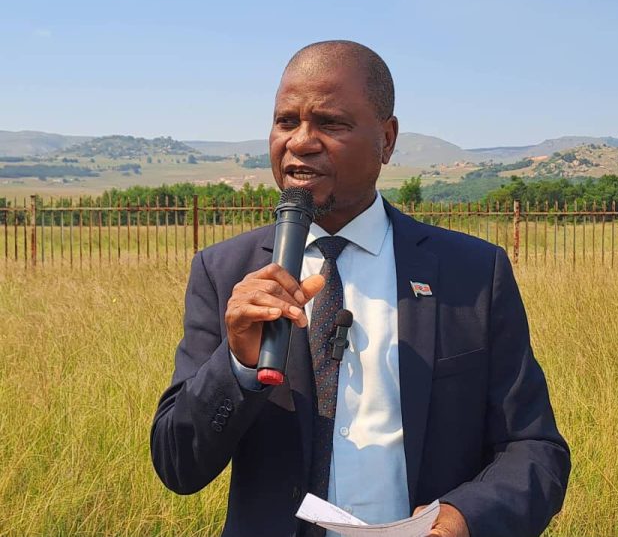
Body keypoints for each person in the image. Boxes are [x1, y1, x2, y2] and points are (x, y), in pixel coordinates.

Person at [150, 40, 570, 537]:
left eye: (330, 124)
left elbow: (533, 448)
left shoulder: (473, 274)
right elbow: (178, 465)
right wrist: (237, 365)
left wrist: (463, 518)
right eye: (286, 121)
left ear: (386, 140)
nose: (301, 142)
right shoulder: (225, 274)